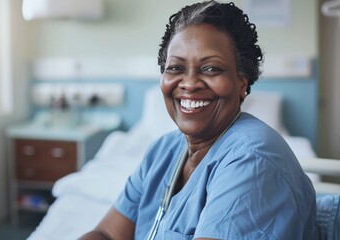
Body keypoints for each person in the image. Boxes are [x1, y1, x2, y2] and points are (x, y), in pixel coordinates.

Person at [79, 1, 318, 239]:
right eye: (175, 68)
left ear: (242, 83)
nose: (190, 84)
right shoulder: (162, 152)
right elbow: (107, 233)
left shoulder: (252, 158)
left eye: (211, 69)